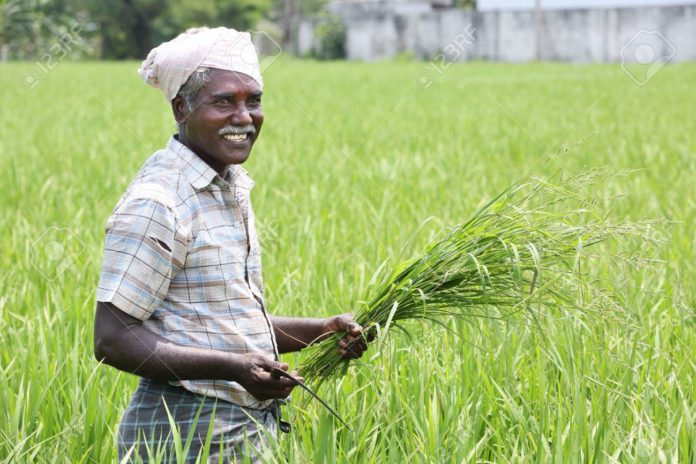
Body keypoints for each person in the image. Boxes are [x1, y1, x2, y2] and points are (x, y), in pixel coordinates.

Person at [93, 27, 369, 463]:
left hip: (237, 430)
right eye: (224, 101)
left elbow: (221, 323)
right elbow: (112, 339)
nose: (244, 116)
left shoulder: (225, 188)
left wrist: (319, 331)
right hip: (184, 432)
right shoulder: (159, 202)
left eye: (253, 100)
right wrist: (233, 368)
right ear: (181, 108)